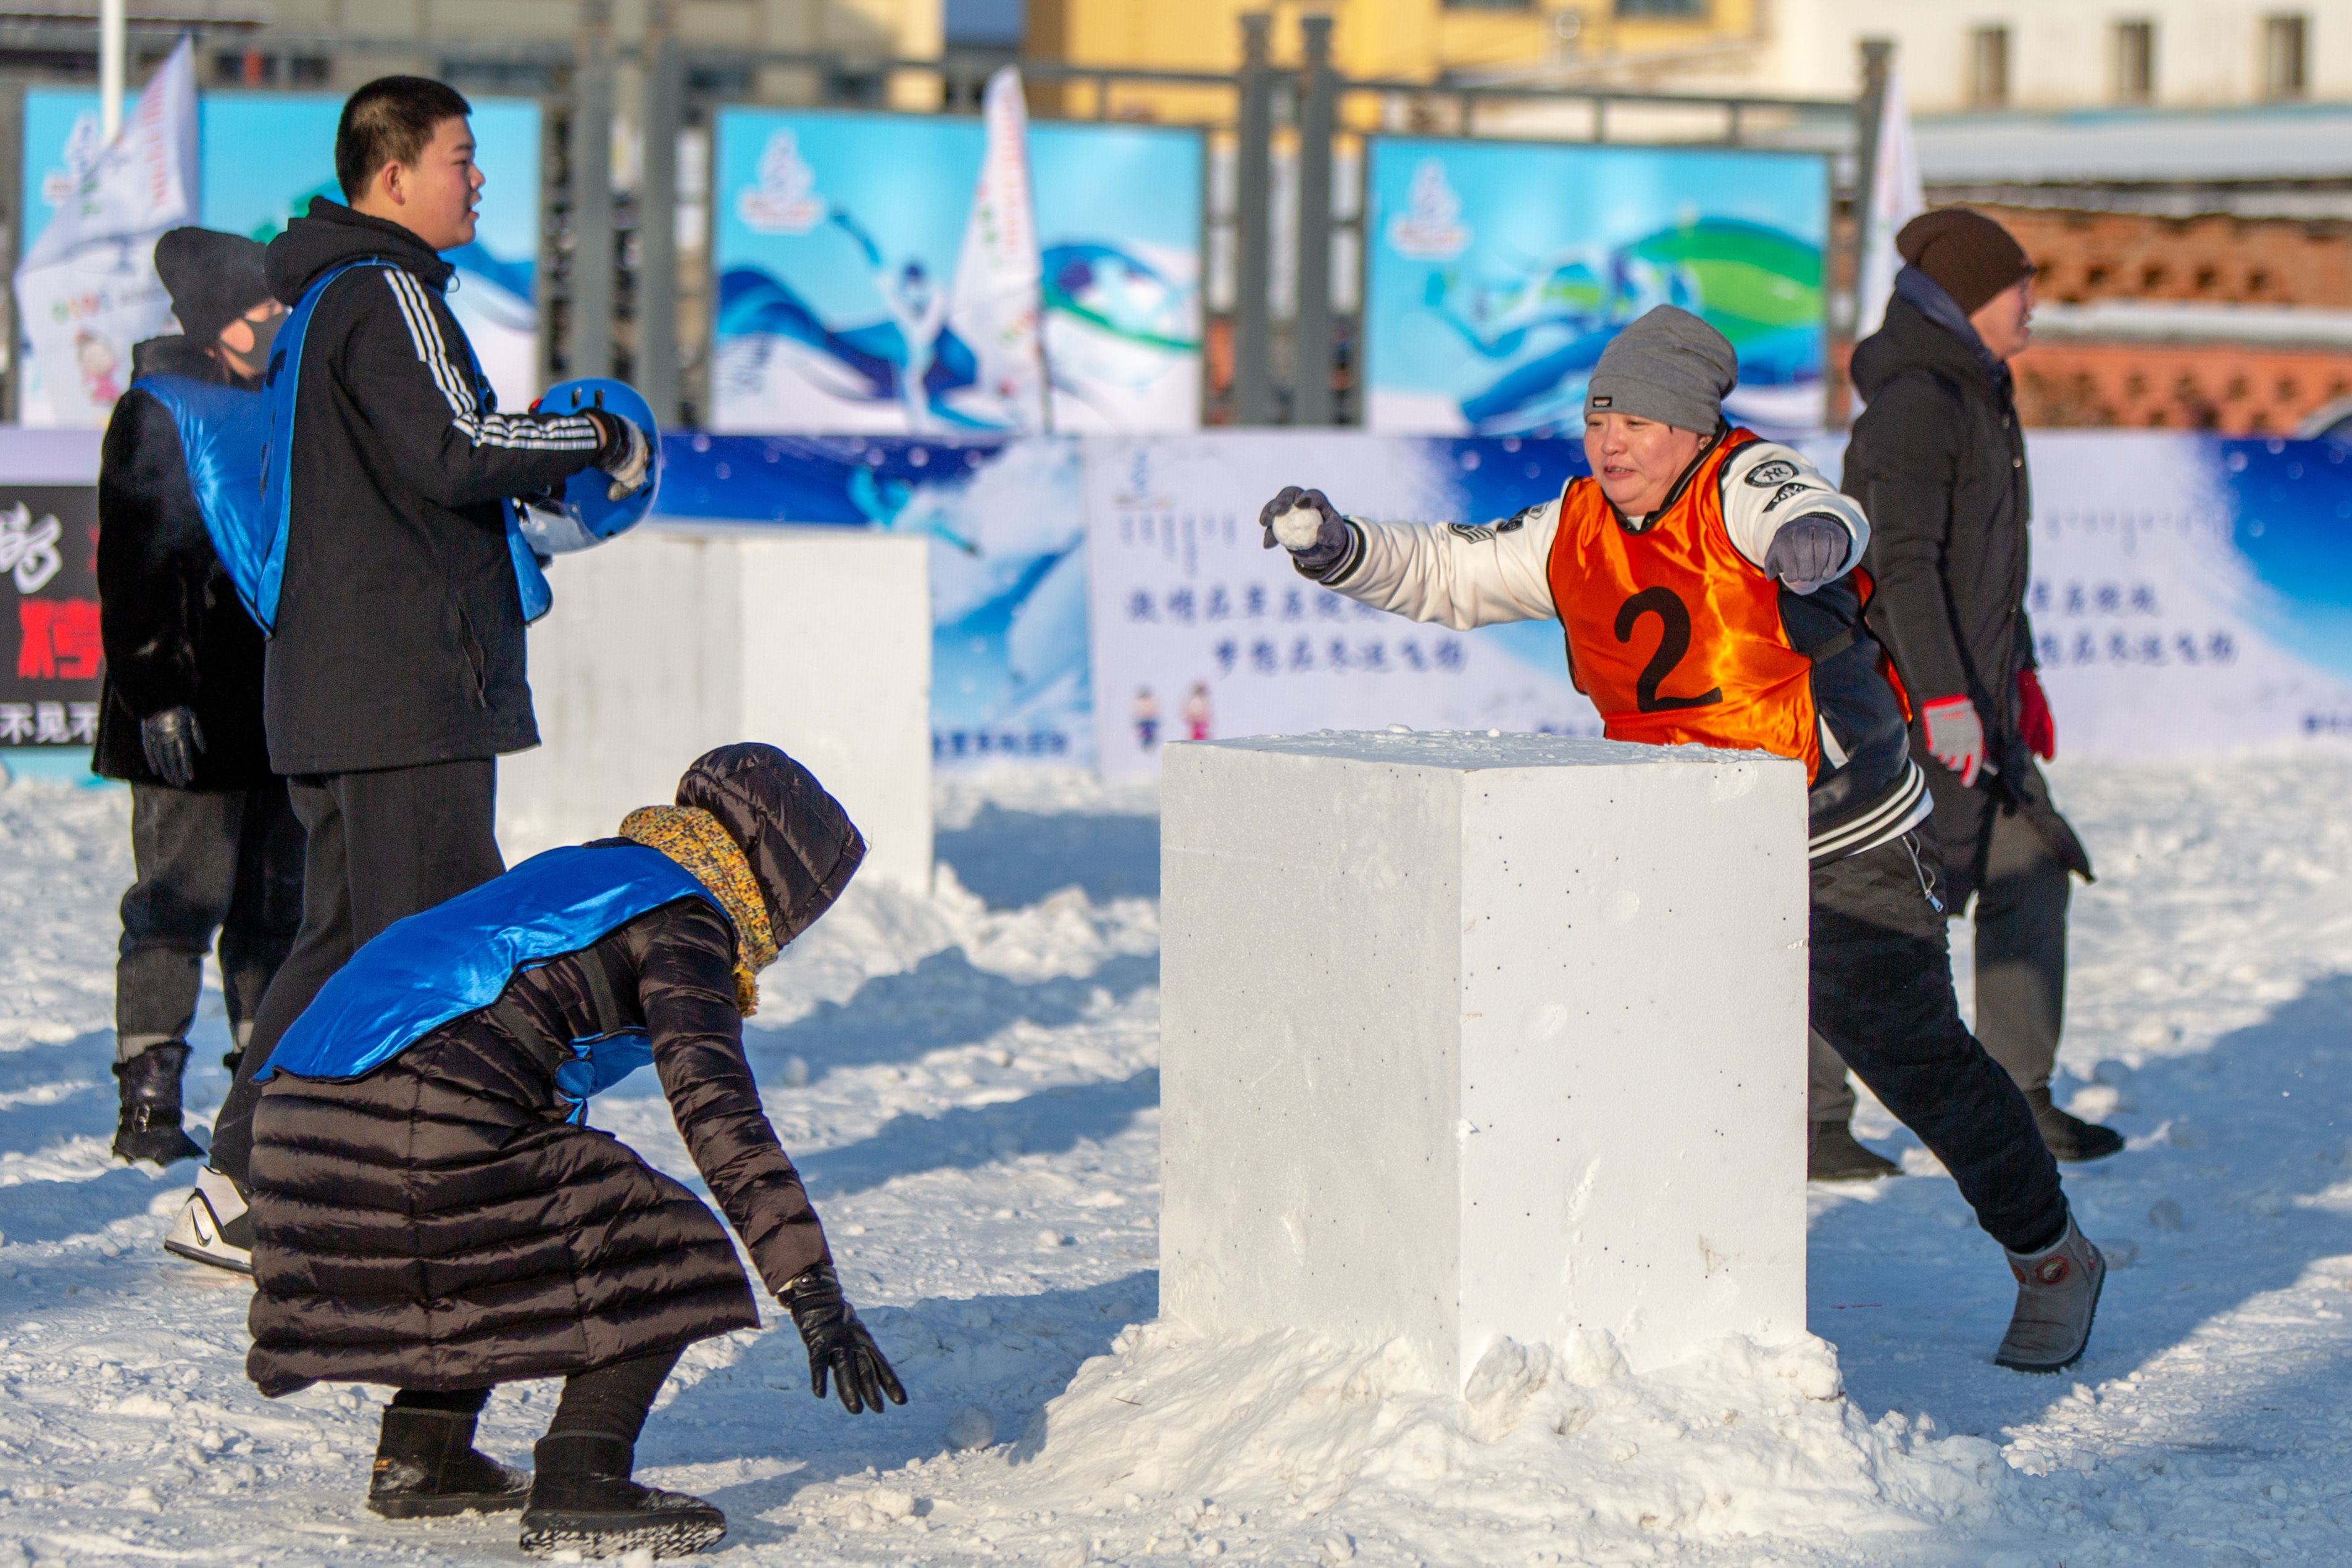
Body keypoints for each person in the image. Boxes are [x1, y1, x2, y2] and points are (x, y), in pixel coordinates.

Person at [1259, 305, 2104, 1374]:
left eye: (1640, 422)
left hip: (1830, 833)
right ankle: (1640, 1285)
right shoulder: (1576, 525)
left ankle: (2049, 1255)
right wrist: (1340, 550)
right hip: (1673, 836)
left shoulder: (1744, 484)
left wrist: (1814, 546)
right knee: (1627, 1057)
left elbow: (1809, 508)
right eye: (1597, 418)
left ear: (1694, 431)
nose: (1612, 442)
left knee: (1919, 1064)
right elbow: (1451, 570)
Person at [165, 75, 656, 1272]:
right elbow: (455, 448)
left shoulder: (334, 297)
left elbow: (423, 465)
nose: (477, 177)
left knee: (349, 943)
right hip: (401, 690)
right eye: (459, 156)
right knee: (437, 951)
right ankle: (324, 1180)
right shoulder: (385, 292)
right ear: (392, 176)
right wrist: (595, 438)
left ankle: (256, 1177)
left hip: (358, 686)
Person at [244, 743, 904, 1558]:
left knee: (517, 1224)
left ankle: (425, 1453)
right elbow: (717, 1108)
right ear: (774, 875)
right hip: (409, 1117)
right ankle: (583, 1478)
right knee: (664, 1238)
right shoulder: (686, 915)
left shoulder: (596, 873)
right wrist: (809, 1284)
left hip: (297, 1129)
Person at [1841, 208, 2114, 1166]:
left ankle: (2017, 1096)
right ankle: (1805, 1121)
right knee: (1873, 910)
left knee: (2027, 868)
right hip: (1906, 707)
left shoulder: (1975, 388)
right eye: (2019, 286)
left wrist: (2020, 670)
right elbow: (1901, 565)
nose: (2034, 302)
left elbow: (1989, 568)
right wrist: (1944, 697)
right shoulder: (1919, 401)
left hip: (1973, 698)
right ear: (1968, 299)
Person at [93, 228, 303, 1168]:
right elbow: (134, 562)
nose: (275, 319)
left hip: (274, 710)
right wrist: (157, 691)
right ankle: (149, 1099)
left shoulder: (276, 401)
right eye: (261, 307)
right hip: (185, 713)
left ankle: (261, 1099)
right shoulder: (160, 408)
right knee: (178, 902)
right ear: (219, 319)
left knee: (274, 912)